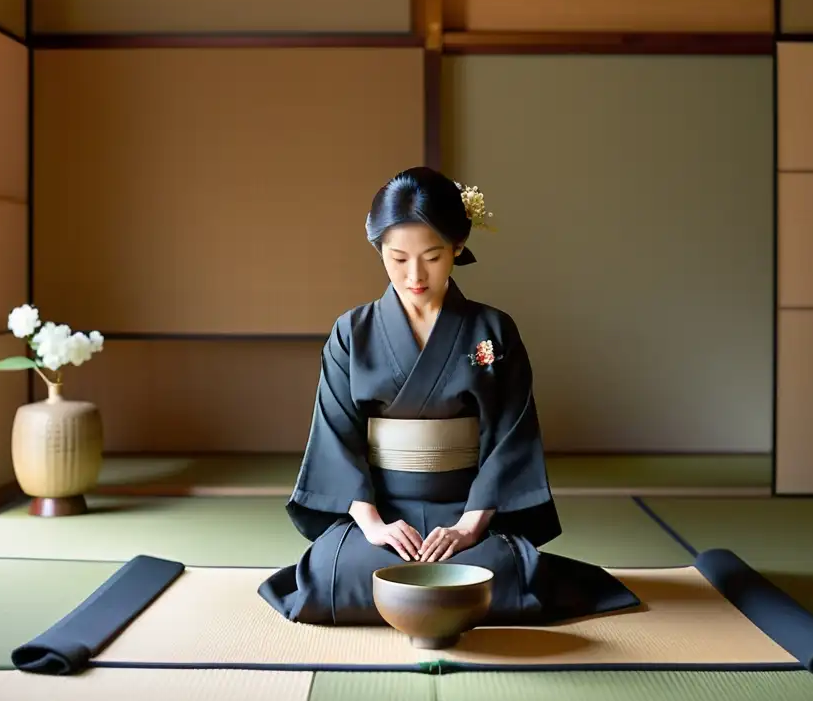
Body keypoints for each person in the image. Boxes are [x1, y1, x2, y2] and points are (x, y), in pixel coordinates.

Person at [258, 166, 640, 625]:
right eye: (398, 258)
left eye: (433, 256)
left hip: (466, 511)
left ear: (458, 247)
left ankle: (478, 555)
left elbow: (510, 438)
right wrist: (373, 524)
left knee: (501, 574)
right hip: (383, 513)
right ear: (379, 249)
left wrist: (469, 526)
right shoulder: (351, 333)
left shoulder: (493, 330)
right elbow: (335, 437)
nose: (415, 274)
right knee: (335, 577)